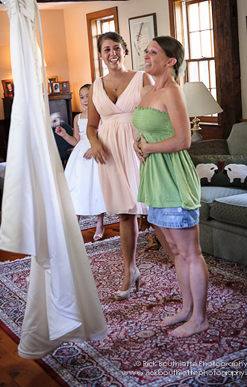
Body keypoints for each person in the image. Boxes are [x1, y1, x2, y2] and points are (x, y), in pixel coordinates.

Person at [132, 36, 207, 337]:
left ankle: (200, 318)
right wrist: (139, 145)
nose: (146, 56)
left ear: (170, 60)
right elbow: (144, 130)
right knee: (175, 251)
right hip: (155, 179)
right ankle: (187, 309)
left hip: (174, 179)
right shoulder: (148, 90)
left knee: (190, 252)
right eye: (146, 51)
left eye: (153, 52)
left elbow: (183, 141)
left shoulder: (173, 92)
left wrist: (148, 149)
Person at [87, 32, 154, 301]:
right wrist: (94, 143)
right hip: (109, 153)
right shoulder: (95, 86)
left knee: (150, 209)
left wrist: (146, 142)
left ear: (125, 51)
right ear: (100, 55)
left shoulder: (142, 78)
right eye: (106, 50)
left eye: (117, 48)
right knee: (125, 213)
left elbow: (154, 115)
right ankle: (130, 269)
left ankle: (183, 264)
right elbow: (92, 126)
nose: (112, 54)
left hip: (137, 147)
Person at [56, 84, 106, 239]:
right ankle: (75, 221)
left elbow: (105, 136)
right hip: (80, 156)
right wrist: (65, 135)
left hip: (95, 153)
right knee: (77, 187)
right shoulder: (78, 117)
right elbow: (77, 141)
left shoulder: (101, 115)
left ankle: (100, 223)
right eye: (82, 97)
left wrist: (94, 147)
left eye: (88, 96)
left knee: (96, 187)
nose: (85, 100)